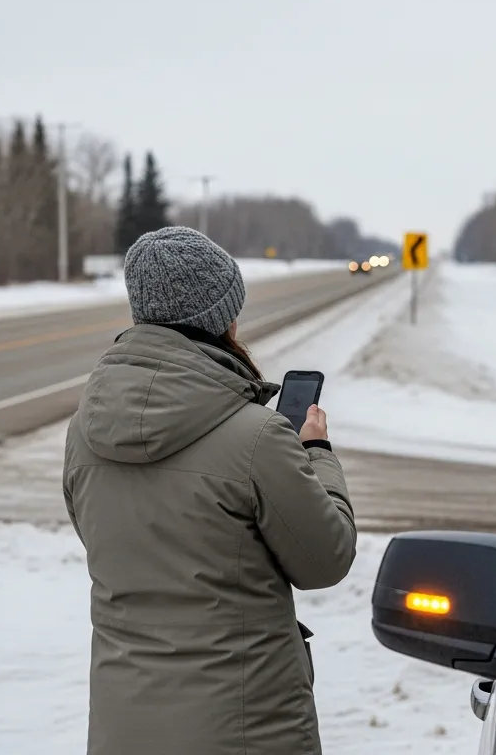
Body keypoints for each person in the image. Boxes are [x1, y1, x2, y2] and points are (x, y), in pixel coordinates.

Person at [63, 226, 357, 755]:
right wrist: (316, 453)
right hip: (243, 728)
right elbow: (325, 559)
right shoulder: (257, 438)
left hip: (122, 727)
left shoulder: (84, 430)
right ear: (223, 320)